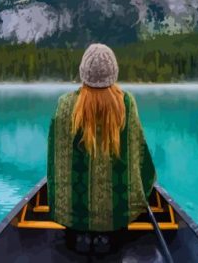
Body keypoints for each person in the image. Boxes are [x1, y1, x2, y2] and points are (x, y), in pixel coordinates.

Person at [47, 43, 157, 253]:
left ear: (83, 72)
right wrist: (147, 181)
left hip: (72, 213)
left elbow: (55, 158)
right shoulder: (126, 102)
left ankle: (77, 237)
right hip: (116, 217)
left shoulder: (64, 103)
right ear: (113, 73)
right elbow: (138, 152)